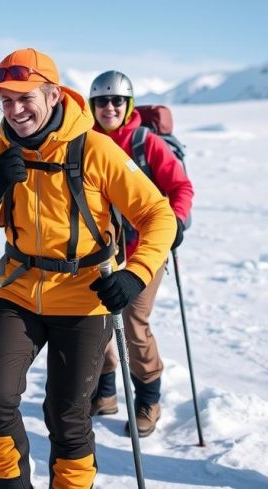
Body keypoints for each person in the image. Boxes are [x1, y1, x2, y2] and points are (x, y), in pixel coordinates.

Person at [0, 48, 176, 488]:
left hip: (84, 298)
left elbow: (158, 213)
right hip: (18, 291)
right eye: (6, 100)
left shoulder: (95, 149)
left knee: (67, 415)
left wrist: (135, 274)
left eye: (25, 98)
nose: (16, 110)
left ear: (53, 95)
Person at [87, 70, 194, 437]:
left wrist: (176, 222)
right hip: (101, 251)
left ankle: (148, 398)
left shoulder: (145, 142)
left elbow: (180, 185)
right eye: (102, 100)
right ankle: (104, 392)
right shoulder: (84, 142)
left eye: (117, 100)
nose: (110, 107)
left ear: (128, 104)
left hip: (145, 248)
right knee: (95, 318)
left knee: (133, 320)